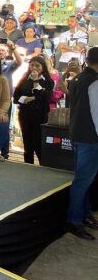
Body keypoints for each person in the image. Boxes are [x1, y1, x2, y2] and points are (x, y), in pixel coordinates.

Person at [64, 47, 98, 240]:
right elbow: (97, 113)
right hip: (91, 138)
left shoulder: (77, 79)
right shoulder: (94, 81)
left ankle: (84, 215)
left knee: (83, 179)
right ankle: (74, 220)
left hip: (77, 134)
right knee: (82, 181)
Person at [13, 56, 55, 165]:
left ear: (43, 67)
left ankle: (43, 165)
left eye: (37, 65)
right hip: (25, 114)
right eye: (32, 65)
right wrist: (27, 99)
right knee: (27, 143)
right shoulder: (25, 78)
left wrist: (36, 81)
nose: (34, 68)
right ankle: (28, 165)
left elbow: (46, 96)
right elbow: (16, 96)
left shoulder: (48, 80)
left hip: (40, 115)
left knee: (38, 142)